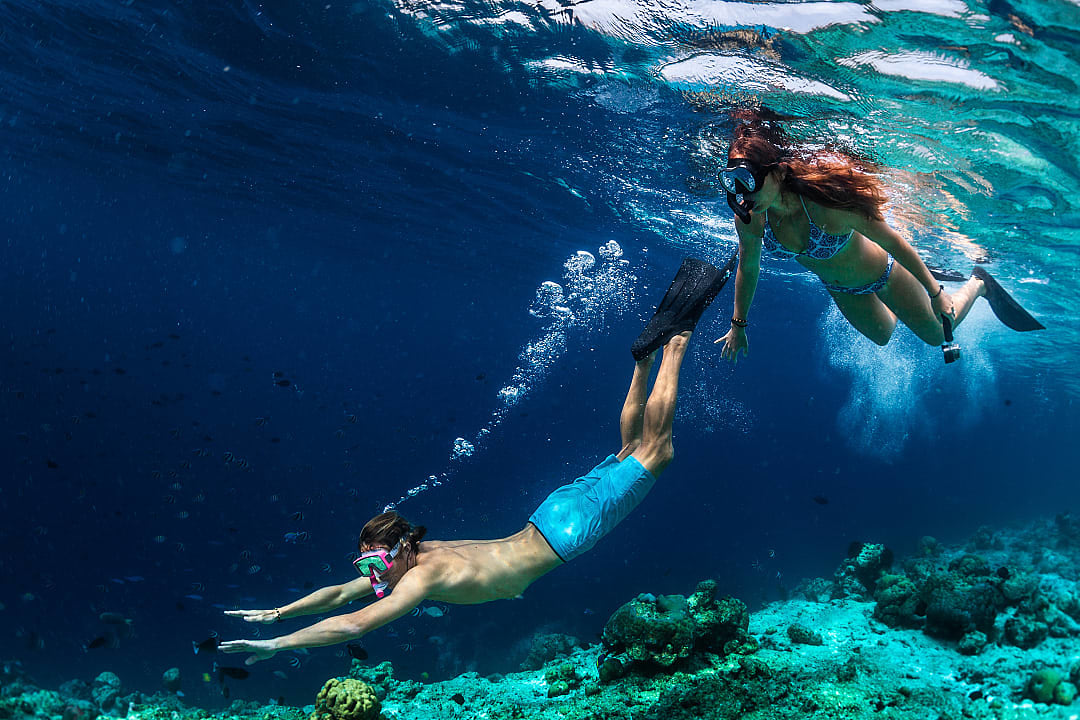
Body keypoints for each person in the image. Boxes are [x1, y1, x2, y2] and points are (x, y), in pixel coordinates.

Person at [220, 258, 728, 665]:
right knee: (626, 452)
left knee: (655, 452)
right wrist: (278, 613)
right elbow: (337, 595)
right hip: (549, 514)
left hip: (567, 533)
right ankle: (642, 362)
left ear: (399, 550)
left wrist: (275, 646)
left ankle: (676, 340)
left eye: (376, 562)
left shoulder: (420, 578)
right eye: (366, 564)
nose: (372, 573)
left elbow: (354, 622)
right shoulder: (417, 554)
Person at [714, 112, 1042, 364]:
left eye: (747, 179)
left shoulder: (825, 206)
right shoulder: (752, 217)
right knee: (883, 335)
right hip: (841, 288)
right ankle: (918, 289)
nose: (741, 193)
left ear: (778, 173)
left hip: (883, 274)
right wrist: (738, 324)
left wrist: (935, 292)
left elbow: (894, 242)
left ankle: (979, 282)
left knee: (935, 334)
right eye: (731, 181)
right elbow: (749, 268)